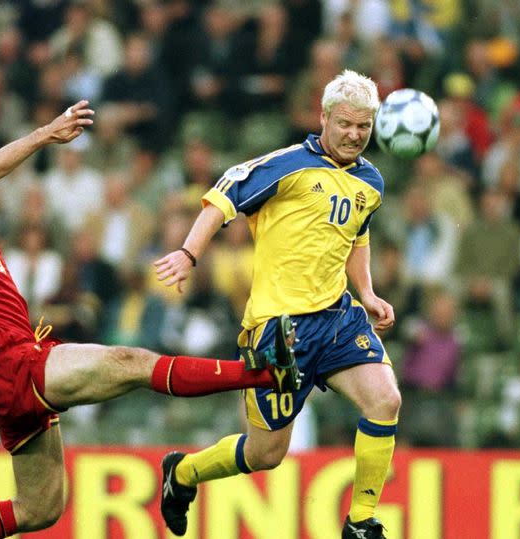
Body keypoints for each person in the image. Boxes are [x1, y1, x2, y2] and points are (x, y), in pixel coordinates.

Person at [0, 100, 299, 539]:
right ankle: (265, 372)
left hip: (9, 378)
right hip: (16, 366)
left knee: (41, 508)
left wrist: (47, 132)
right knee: (130, 362)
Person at [154, 70, 400, 539]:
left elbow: (357, 234)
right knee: (267, 453)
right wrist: (189, 254)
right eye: (345, 124)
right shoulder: (287, 165)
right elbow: (223, 196)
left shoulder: (371, 181)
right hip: (278, 330)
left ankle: (362, 522)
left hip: (336, 317)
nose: (353, 135)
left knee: (385, 399)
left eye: (363, 127)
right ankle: (181, 473)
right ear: (324, 117)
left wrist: (366, 292)